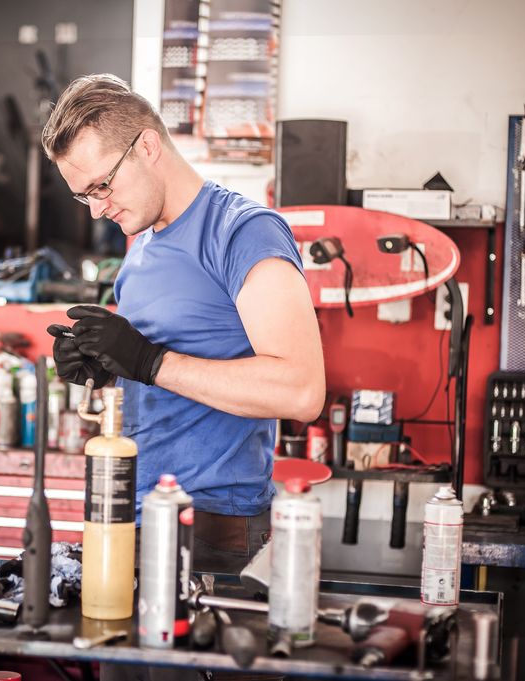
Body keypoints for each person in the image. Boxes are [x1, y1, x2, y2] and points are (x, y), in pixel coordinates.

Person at [42, 74, 324, 677]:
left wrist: (148, 360)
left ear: (146, 147)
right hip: (129, 523)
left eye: (101, 186)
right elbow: (162, 375)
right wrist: (106, 370)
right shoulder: (138, 248)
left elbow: (302, 389)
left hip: (212, 533)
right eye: (82, 195)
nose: (96, 208)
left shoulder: (243, 231)